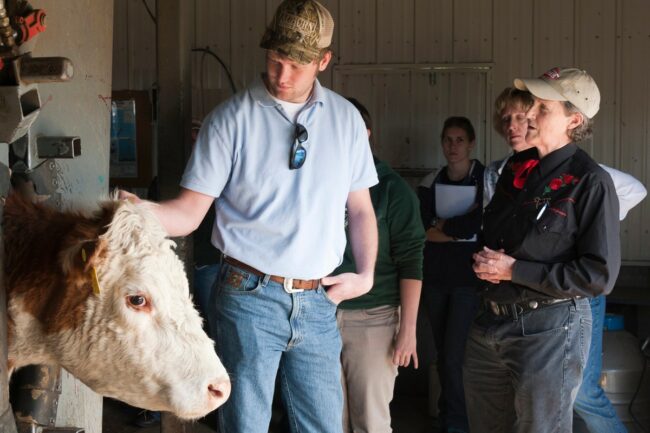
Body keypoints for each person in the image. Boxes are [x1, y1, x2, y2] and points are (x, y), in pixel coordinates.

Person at [121, 1, 379, 432]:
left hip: (317, 302)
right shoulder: (230, 120)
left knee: (324, 426)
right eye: (276, 60)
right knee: (245, 424)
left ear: (324, 61)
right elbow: (187, 214)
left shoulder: (347, 120)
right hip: (248, 295)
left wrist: (366, 274)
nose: (282, 75)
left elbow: (361, 210)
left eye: (297, 65)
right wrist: (136, 212)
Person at [467, 67, 622, 433]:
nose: (529, 115)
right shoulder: (516, 170)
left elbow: (598, 275)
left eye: (542, 109)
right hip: (490, 320)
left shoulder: (591, 181)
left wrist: (513, 270)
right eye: (532, 105)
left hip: (548, 328)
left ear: (574, 119)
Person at [334, 97, 424, 433]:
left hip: (373, 317)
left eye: (347, 129)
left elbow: (412, 260)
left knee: (370, 421)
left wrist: (408, 330)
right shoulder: (318, 184)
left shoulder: (392, 190)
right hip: (319, 315)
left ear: (366, 134)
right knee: (327, 419)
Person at [418, 116, 484, 433]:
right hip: (435, 279)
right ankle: (449, 416)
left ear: (471, 143)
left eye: (459, 140)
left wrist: (445, 226)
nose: (453, 146)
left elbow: (479, 226)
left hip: (468, 281)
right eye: (448, 139)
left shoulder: (486, 179)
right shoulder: (431, 181)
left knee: (456, 356)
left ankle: (457, 423)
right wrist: (458, 229)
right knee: (443, 355)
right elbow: (424, 230)